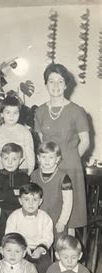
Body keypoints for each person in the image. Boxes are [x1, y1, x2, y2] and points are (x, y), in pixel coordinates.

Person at [35, 63, 89, 232]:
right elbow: (42, 141)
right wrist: (49, 164)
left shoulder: (77, 111)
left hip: (70, 167)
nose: (56, 86)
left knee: (69, 219)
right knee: (47, 214)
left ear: (66, 84)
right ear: (45, 85)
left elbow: (85, 141)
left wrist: (69, 159)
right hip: (47, 168)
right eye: (51, 81)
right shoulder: (40, 112)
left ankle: (68, 257)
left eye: (60, 81)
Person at [5, 183, 54, 273]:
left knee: (45, 265)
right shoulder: (14, 216)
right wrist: (22, 247)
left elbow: (48, 237)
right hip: (19, 249)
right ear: (20, 201)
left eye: (35, 200)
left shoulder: (45, 217)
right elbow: (10, 236)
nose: (31, 203)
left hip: (39, 249)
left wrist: (40, 248)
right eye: (26, 199)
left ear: (40, 201)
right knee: (17, 265)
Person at [31, 142, 73, 241]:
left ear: (57, 159)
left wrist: (62, 221)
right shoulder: (34, 175)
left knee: (59, 245)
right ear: (38, 158)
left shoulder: (63, 177)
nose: (47, 161)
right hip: (38, 218)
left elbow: (68, 202)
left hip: (56, 219)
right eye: (43, 157)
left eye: (51, 157)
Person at [0, 96, 35, 174]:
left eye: (15, 112)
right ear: (1, 114)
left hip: (22, 170)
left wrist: (30, 169)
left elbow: (30, 153)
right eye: (8, 112)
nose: (11, 116)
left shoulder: (25, 131)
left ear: (19, 114)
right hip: (3, 171)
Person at [0, 143, 30, 215]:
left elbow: (25, 197)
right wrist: (14, 192)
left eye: (14, 159)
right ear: (0, 159)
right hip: (0, 211)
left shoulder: (24, 177)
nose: (10, 162)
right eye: (6, 158)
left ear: (21, 161)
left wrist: (4, 196)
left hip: (19, 212)